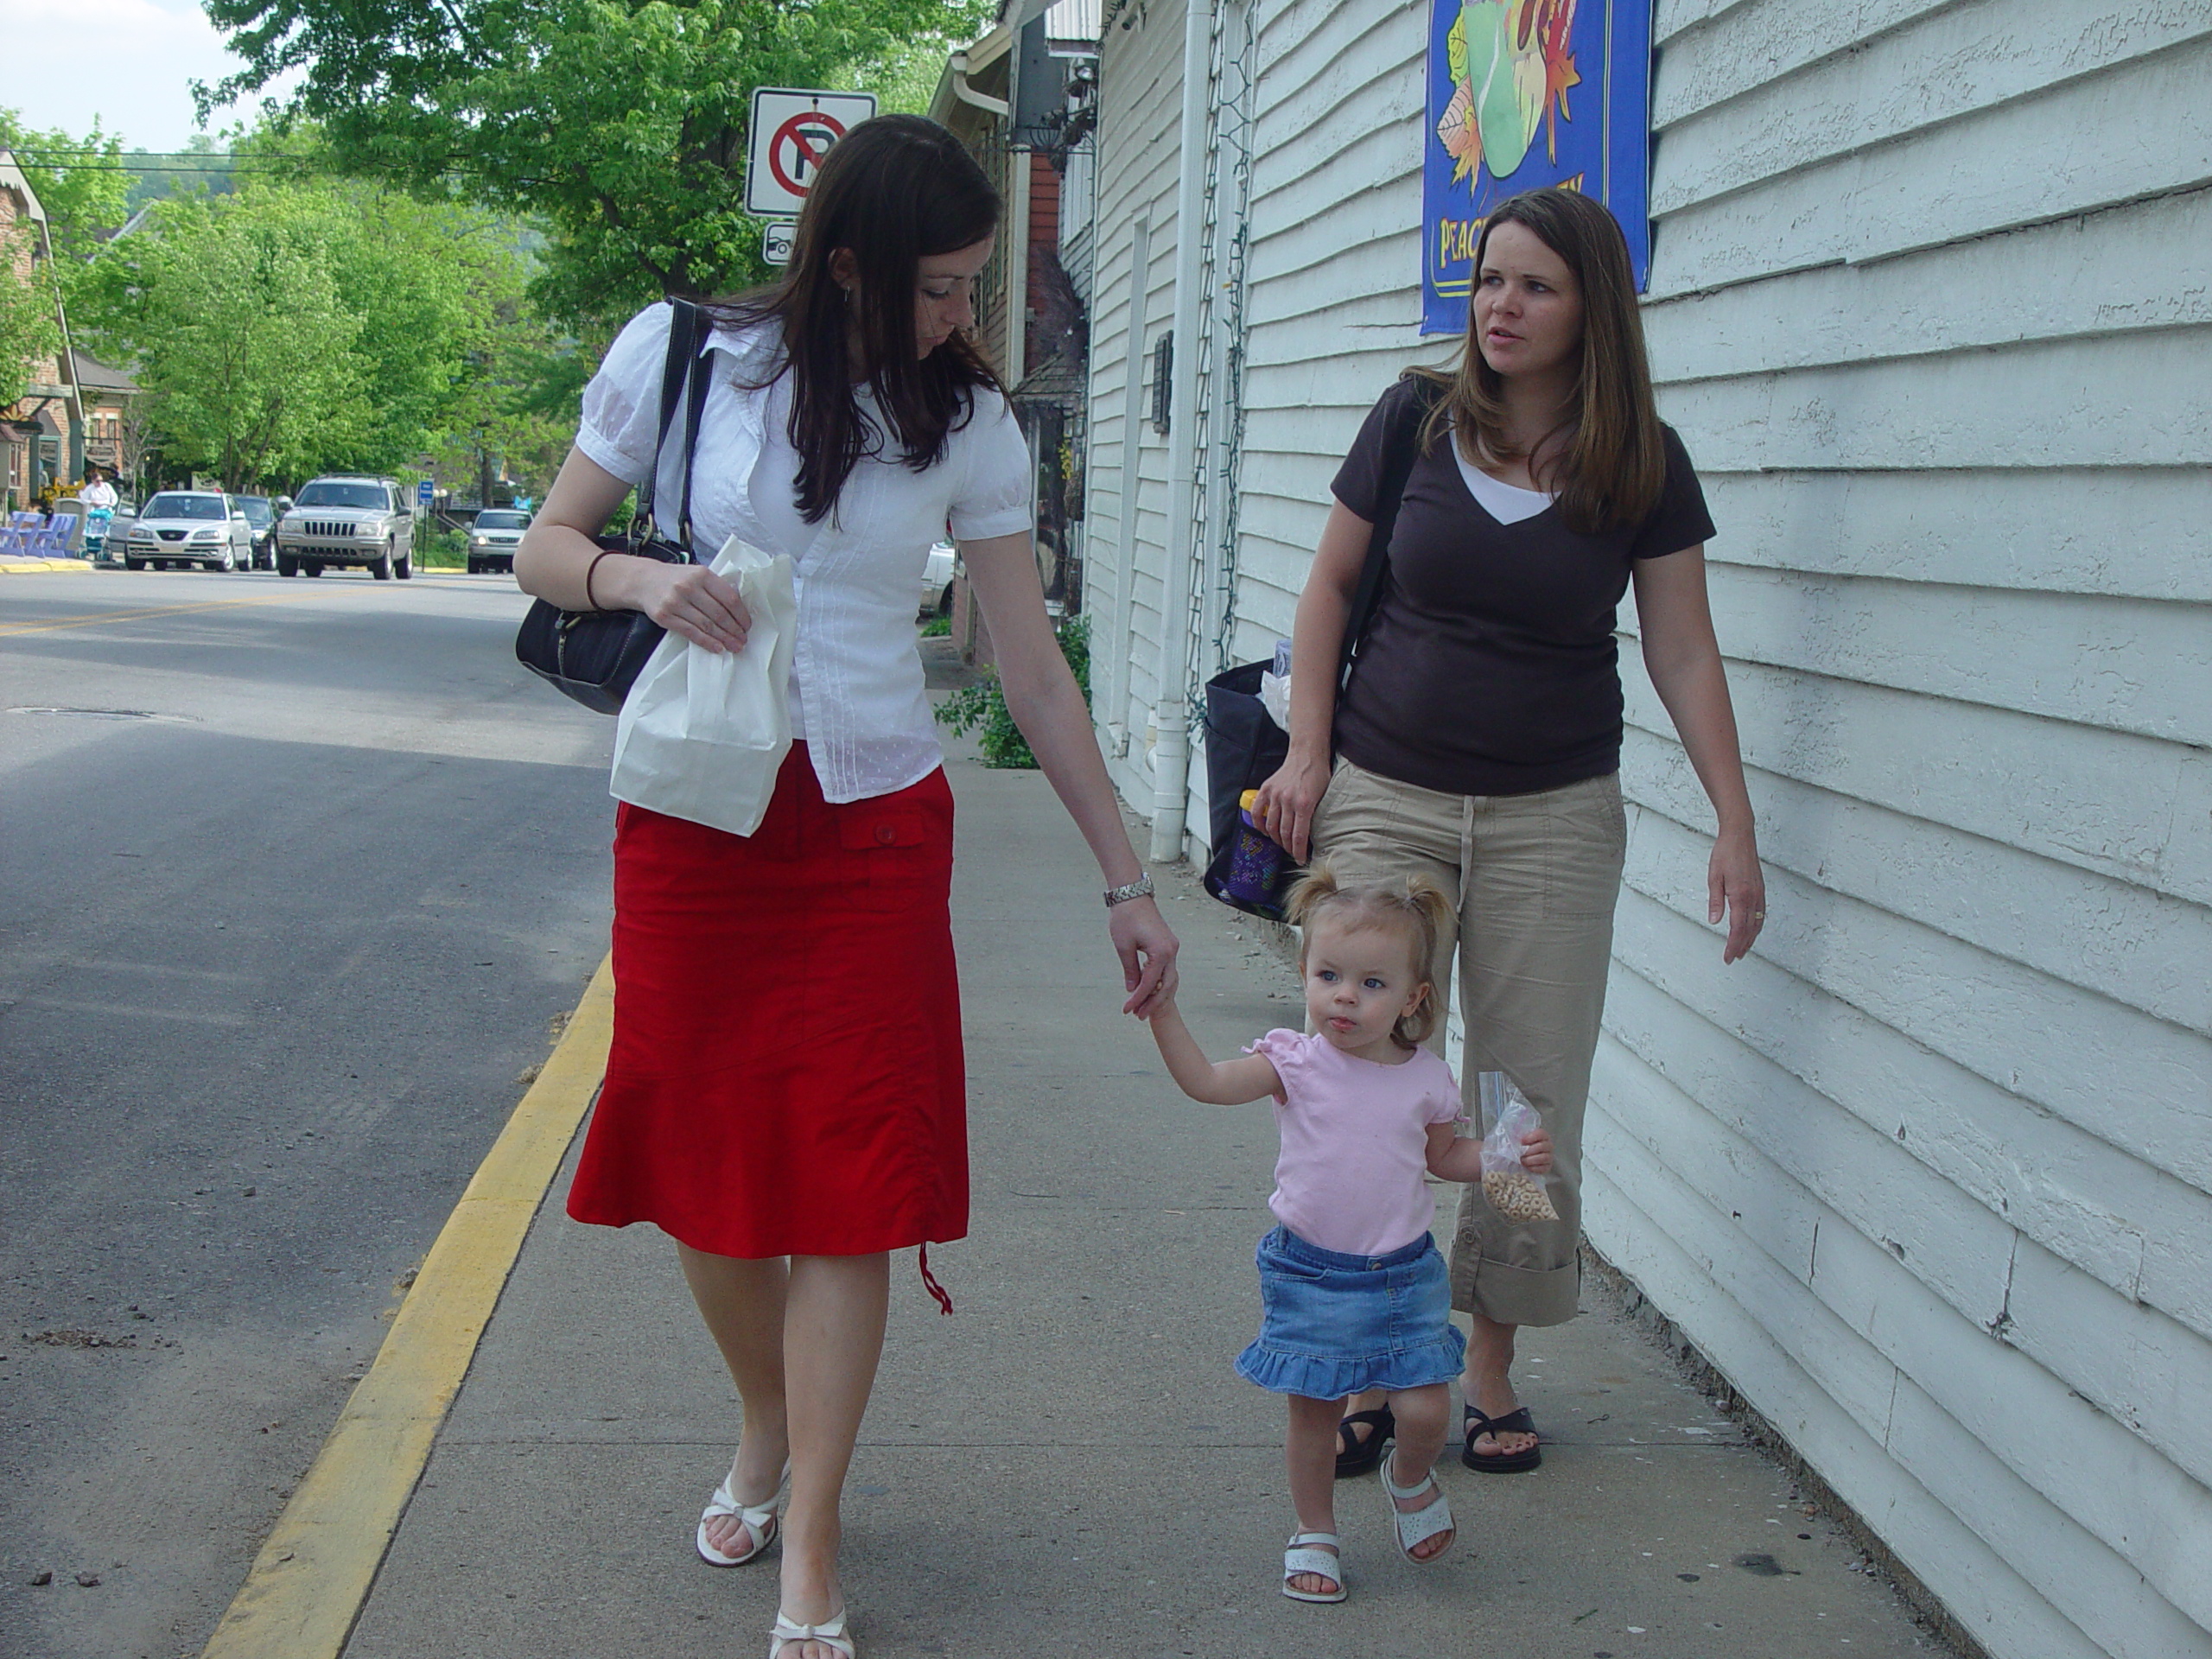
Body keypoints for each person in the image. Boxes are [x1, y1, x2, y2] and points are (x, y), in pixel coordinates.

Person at [513, 114, 1179, 1659]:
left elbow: (1032, 668)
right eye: (942, 288)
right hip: (697, 820)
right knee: (706, 1163)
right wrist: (635, 579)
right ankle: (768, 1423)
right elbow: (550, 546)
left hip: (873, 827)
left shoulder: (968, 427)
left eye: (974, 286)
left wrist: (1122, 878)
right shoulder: (684, 356)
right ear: (856, 264)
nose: (965, 317)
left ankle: (812, 1523)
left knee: (852, 1182)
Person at [1250, 187, 1765, 1480]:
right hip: (1389, 793)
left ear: (1593, 303)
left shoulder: (1641, 457)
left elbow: (1684, 650)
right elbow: (1325, 588)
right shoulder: (1415, 420)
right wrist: (1309, 752)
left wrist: (1734, 821)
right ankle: (1368, 1360)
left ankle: (1485, 1359)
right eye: (1489, 279)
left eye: (1534, 284)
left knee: (1523, 1105)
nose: (1502, 305)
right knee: (1366, 1081)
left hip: (1553, 815)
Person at [1144, 864, 1553, 1603]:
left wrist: (1501, 1159)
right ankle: (1315, 1531)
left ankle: (1407, 1477)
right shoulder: (1291, 1063)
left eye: (1372, 983)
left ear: (1412, 998)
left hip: (1403, 1277)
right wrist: (1165, 1012)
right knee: (1315, 1414)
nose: (1345, 996)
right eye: (1329, 974)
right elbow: (1204, 1083)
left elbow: (1444, 1158)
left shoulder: (1426, 1079)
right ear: (1304, 971)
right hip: (1312, 1274)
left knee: (1426, 1410)